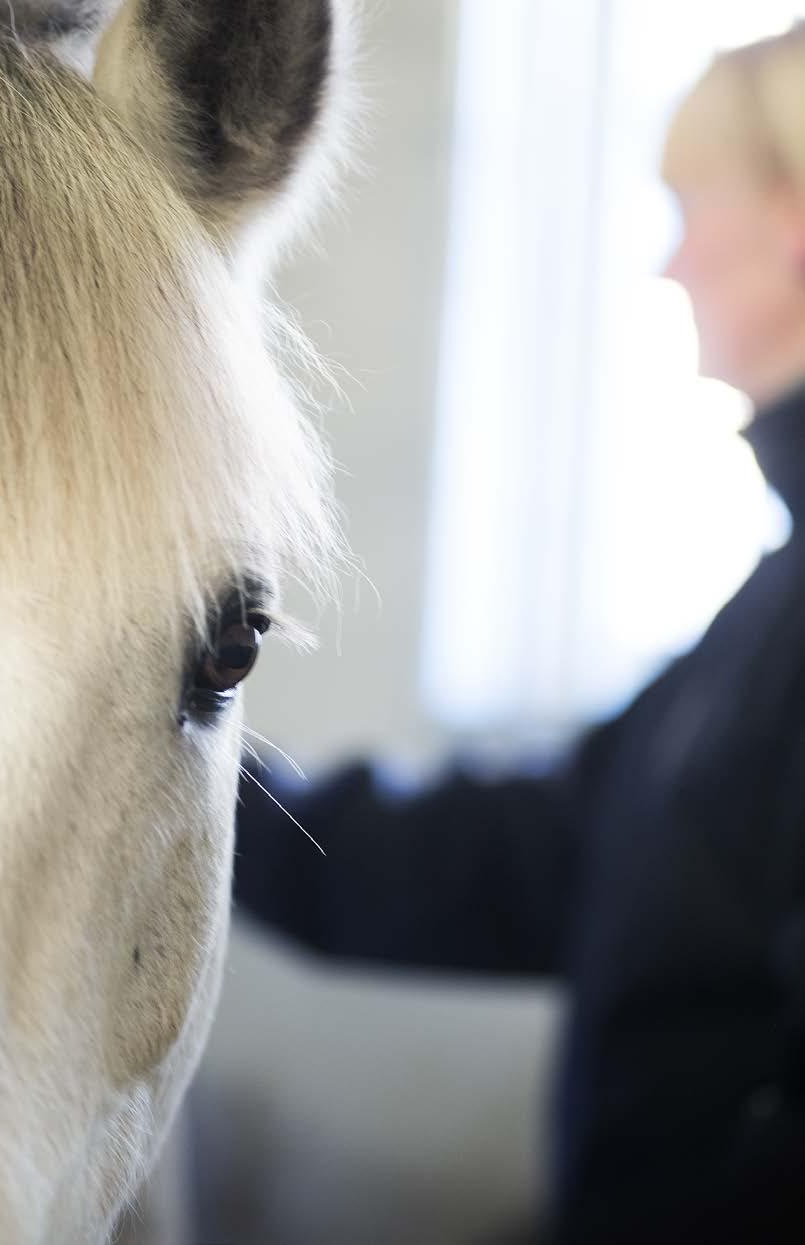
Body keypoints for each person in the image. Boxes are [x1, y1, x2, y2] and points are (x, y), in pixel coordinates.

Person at [234, 28, 805, 1244]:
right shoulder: (766, 616)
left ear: (796, 223)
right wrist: (191, 788)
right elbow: (538, 853)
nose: (670, 269)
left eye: (690, 210)